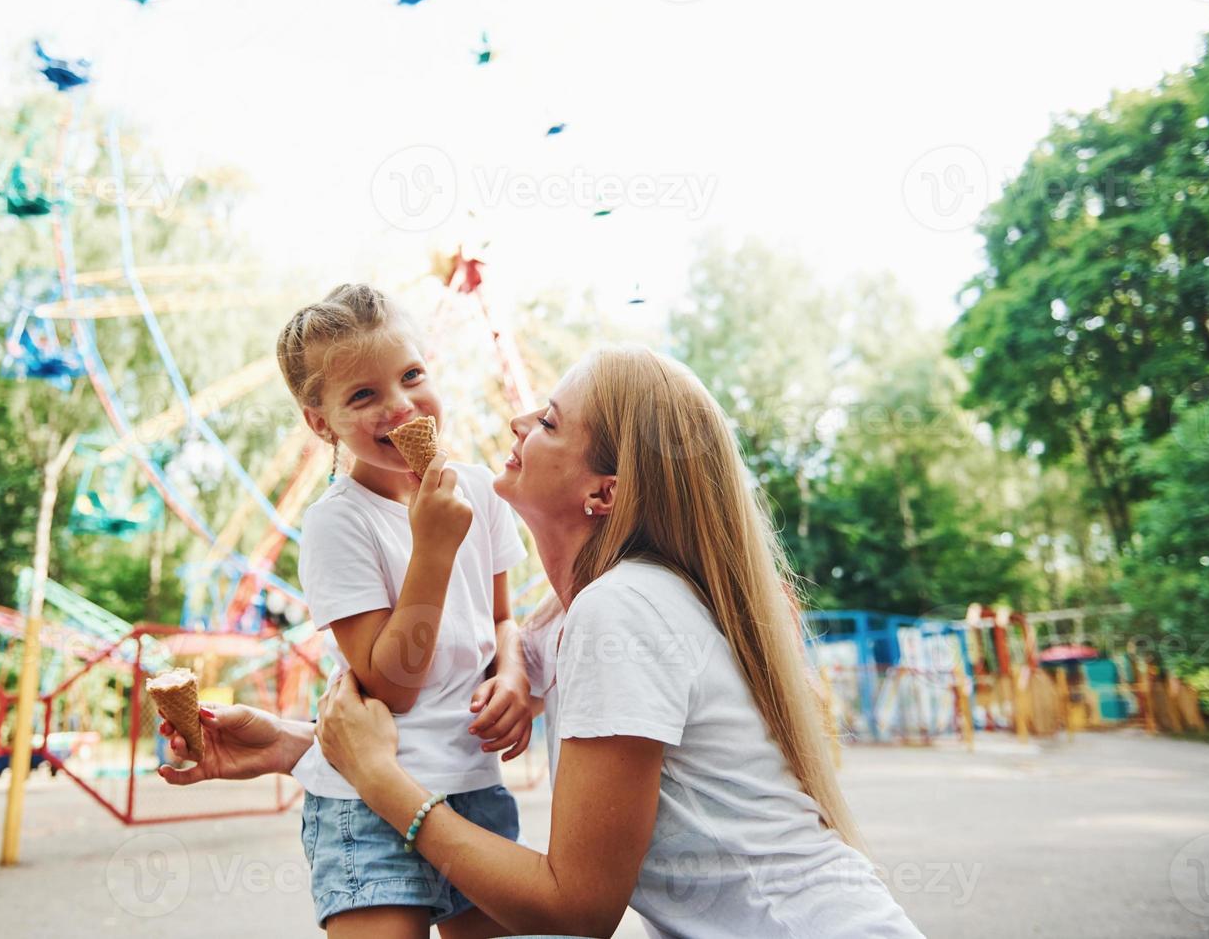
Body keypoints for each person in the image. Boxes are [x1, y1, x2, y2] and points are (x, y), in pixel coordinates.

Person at [162, 345, 923, 939]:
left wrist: (380, 784)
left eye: (551, 422)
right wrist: (298, 746)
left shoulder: (621, 611)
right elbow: (437, 702)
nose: (521, 421)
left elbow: (575, 909)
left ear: (604, 493)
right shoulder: (583, 616)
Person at [164, 284, 533, 938]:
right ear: (321, 422)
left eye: (412, 376)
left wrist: (513, 676)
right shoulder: (338, 525)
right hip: (366, 799)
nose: (400, 407)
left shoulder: (479, 489)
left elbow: (502, 618)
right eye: (363, 396)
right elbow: (393, 682)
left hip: (475, 781)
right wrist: (434, 547)